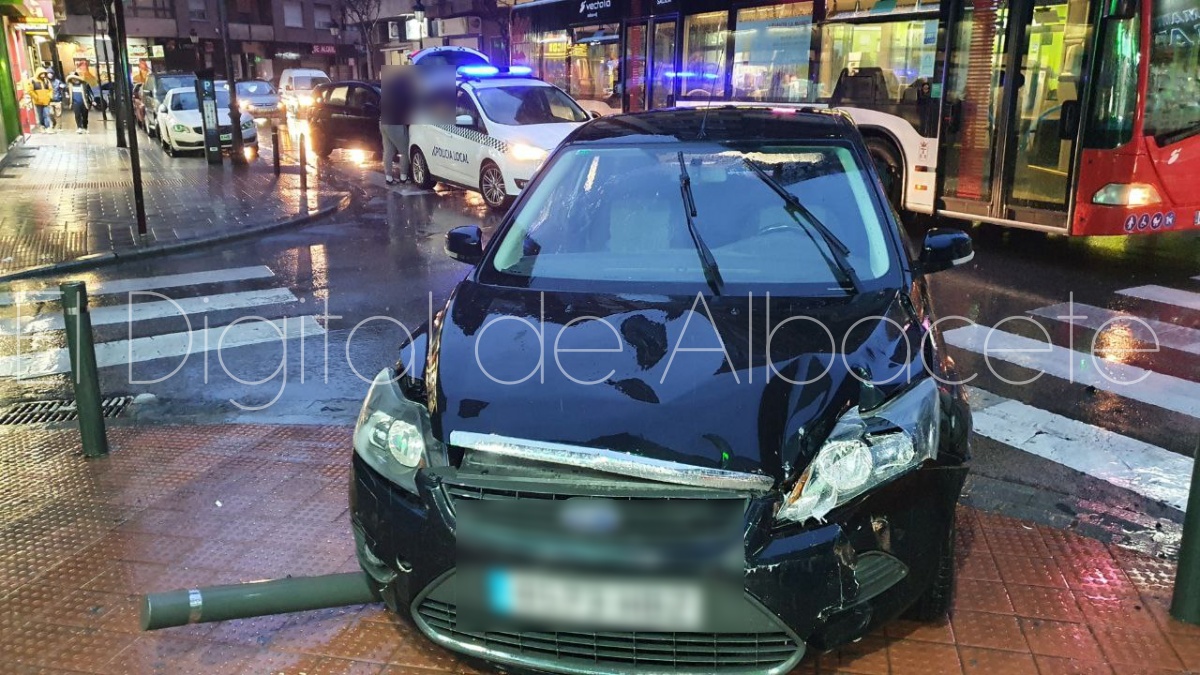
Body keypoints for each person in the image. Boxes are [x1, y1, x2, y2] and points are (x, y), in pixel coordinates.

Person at [379, 67, 416, 185]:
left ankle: (388, 177)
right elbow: (409, 108)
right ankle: (404, 177)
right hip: (395, 123)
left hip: (383, 121)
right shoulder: (405, 92)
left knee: (388, 151)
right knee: (405, 151)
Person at [65, 61, 97, 134]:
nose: (75, 80)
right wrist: (67, 97)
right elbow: (66, 92)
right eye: (73, 79)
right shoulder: (70, 86)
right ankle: (79, 127)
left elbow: (90, 92)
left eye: (76, 78)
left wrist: (92, 100)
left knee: (85, 116)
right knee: (77, 115)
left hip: (84, 102)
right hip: (75, 103)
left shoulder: (85, 84)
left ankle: (85, 127)